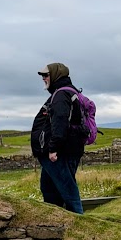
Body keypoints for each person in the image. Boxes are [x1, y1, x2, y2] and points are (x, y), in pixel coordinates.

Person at [30, 62, 87, 213]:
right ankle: (55, 222)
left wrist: (53, 148)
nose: (43, 78)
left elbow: (60, 123)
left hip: (60, 152)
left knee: (67, 190)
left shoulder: (61, 95)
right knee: (49, 189)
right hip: (67, 149)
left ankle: (79, 222)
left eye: (46, 75)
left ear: (56, 75)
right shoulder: (67, 92)